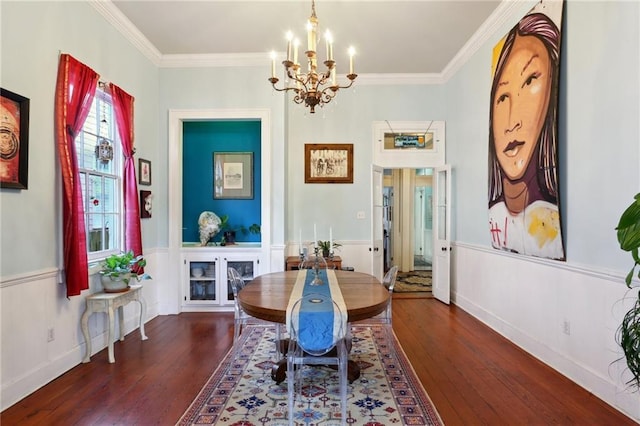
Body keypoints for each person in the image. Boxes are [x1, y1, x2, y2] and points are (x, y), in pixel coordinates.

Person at [488, 12, 565, 260]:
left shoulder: (547, 214)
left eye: (531, 80)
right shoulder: (496, 213)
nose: (513, 121)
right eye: (502, 97)